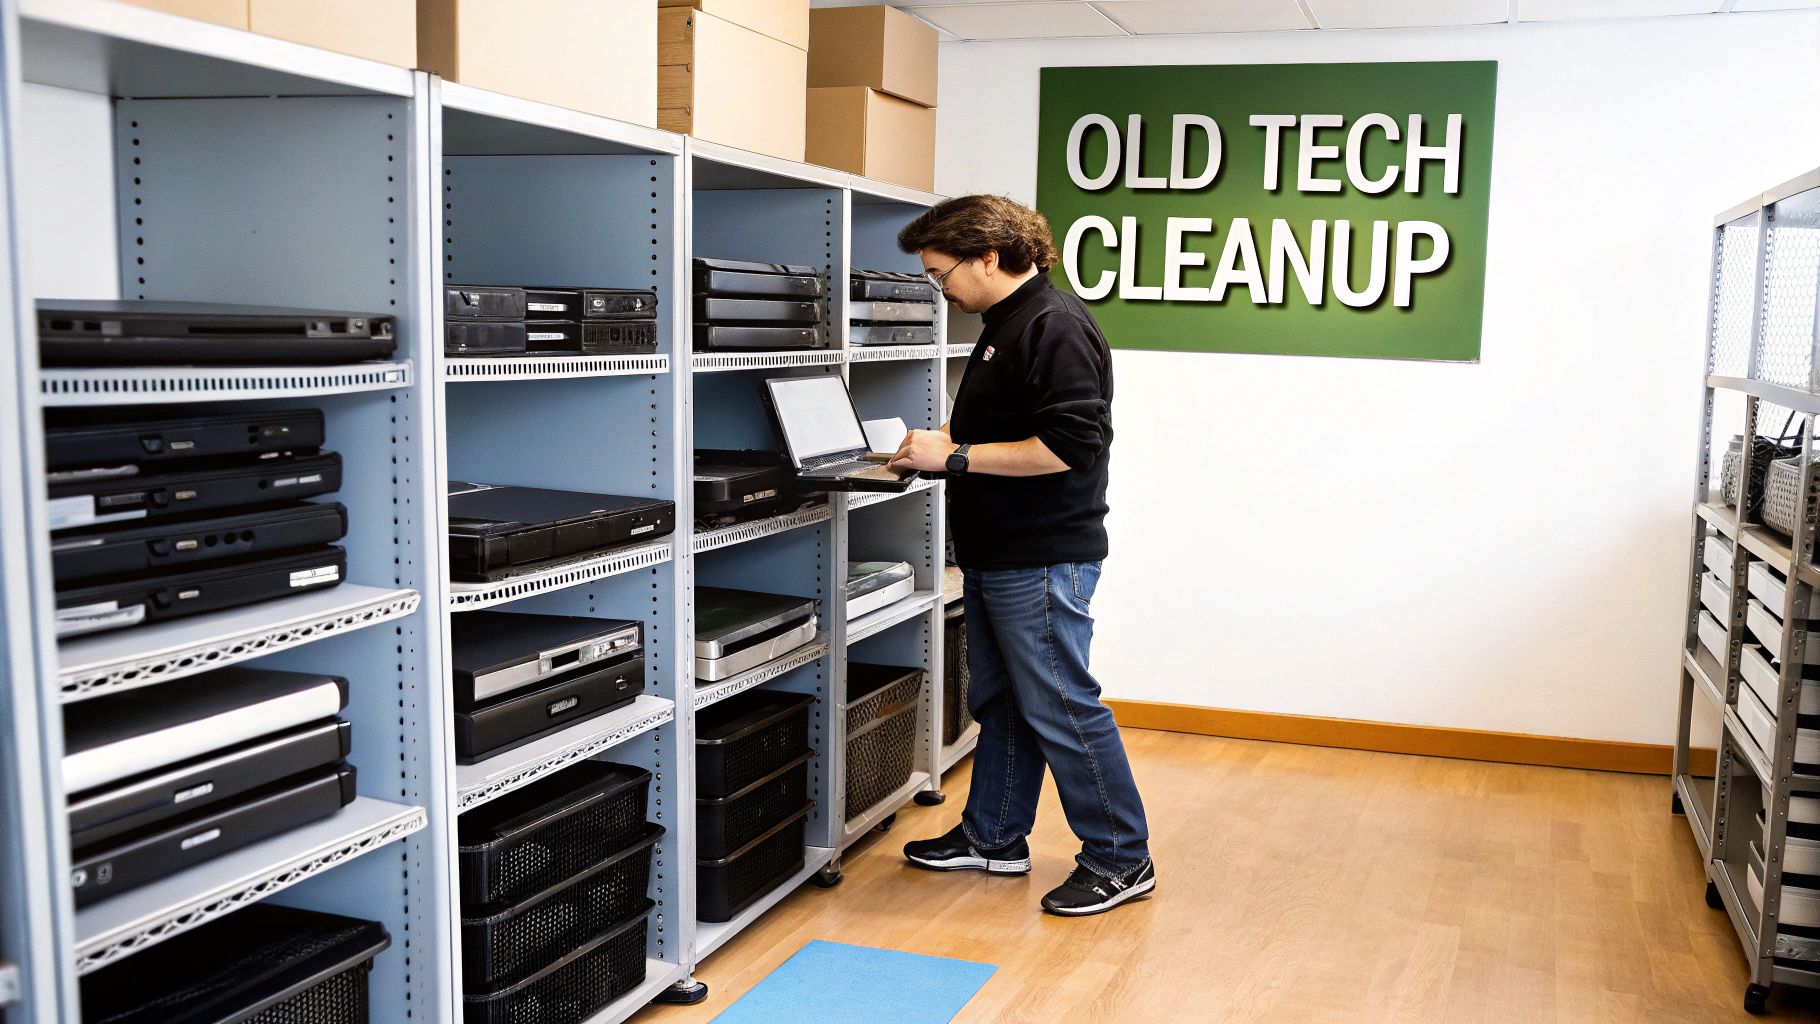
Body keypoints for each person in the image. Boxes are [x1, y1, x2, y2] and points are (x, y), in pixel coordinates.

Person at [888, 194, 1154, 917]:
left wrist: (958, 457)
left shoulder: (1053, 326)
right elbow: (1009, 422)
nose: (940, 288)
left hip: (1040, 557)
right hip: (1001, 551)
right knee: (1002, 701)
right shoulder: (1008, 322)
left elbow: (1069, 447)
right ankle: (995, 836)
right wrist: (936, 445)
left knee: (1062, 705)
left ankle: (1121, 858)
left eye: (942, 273)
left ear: (987, 256)